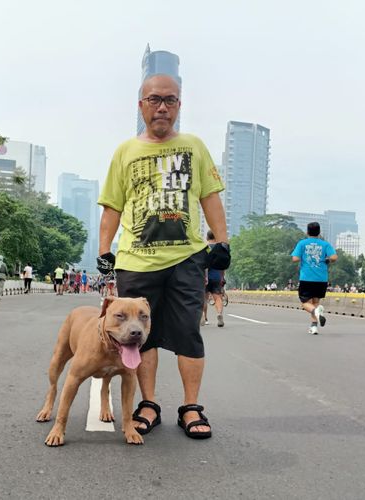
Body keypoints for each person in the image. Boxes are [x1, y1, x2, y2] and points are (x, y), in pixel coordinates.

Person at [97, 74, 229, 440]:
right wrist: (104, 251)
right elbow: (111, 207)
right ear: (140, 105)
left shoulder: (194, 147)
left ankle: (190, 407)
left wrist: (222, 242)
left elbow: (210, 197)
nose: (162, 107)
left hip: (186, 257)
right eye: (154, 99)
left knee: (188, 333)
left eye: (170, 100)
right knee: (141, 337)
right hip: (136, 261)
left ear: (179, 106)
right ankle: (149, 403)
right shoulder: (125, 151)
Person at [291, 222, 337, 335]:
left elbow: (295, 259)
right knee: (316, 302)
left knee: (305, 303)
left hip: (307, 278)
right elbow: (334, 257)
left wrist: (303, 257)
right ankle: (314, 327)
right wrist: (327, 260)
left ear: (307, 232)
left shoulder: (302, 243)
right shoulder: (324, 244)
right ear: (319, 232)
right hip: (321, 279)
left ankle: (315, 312)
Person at [202, 230, 226, 327]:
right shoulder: (220, 248)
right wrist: (222, 276)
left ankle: (204, 317)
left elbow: (202, 264)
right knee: (218, 298)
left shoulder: (204, 248)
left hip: (205, 276)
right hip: (217, 276)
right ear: (216, 237)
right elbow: (223, 266)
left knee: (204, 298)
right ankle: (219, 314)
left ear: (207, 238)